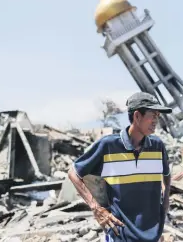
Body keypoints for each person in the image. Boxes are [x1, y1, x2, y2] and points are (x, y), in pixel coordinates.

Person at [68, 92, 172, 242]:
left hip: (152, 233)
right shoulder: (108, 146)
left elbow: (167, 174)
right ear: (137, 116)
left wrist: (166, 199)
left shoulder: (157, 146)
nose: (157, 120)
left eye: (158, 115)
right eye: (153, 115)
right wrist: (96, 209)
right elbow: (74, 173)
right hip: (120, 233)